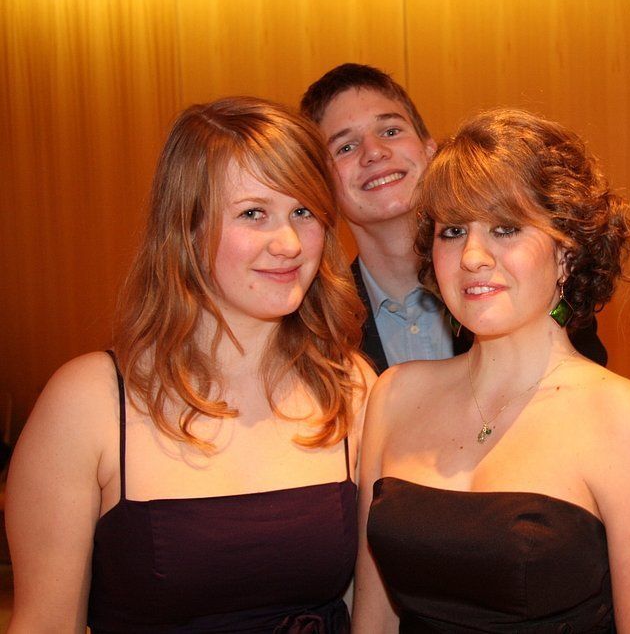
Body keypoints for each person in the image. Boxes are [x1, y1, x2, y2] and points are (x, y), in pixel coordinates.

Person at [6, 97, 375, 632]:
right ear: (186, 228)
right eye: (253, 213)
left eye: (304, 212)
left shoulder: (350, 385)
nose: (290, 243)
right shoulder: (90, 401)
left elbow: (368, 609)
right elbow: (45, 624)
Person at [352, 109, 630, 632]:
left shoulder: (619, 416)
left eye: (505, 228)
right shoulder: (394, 395)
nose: (472, 257)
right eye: (453, 231)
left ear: (566, 253)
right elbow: (373, 621)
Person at [299, 63, 607, 372]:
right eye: (346, 147)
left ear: (430, 150)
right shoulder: (314, 328)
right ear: (321, 183)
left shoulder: (536, 294)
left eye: (390, 131)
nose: (374, 152)